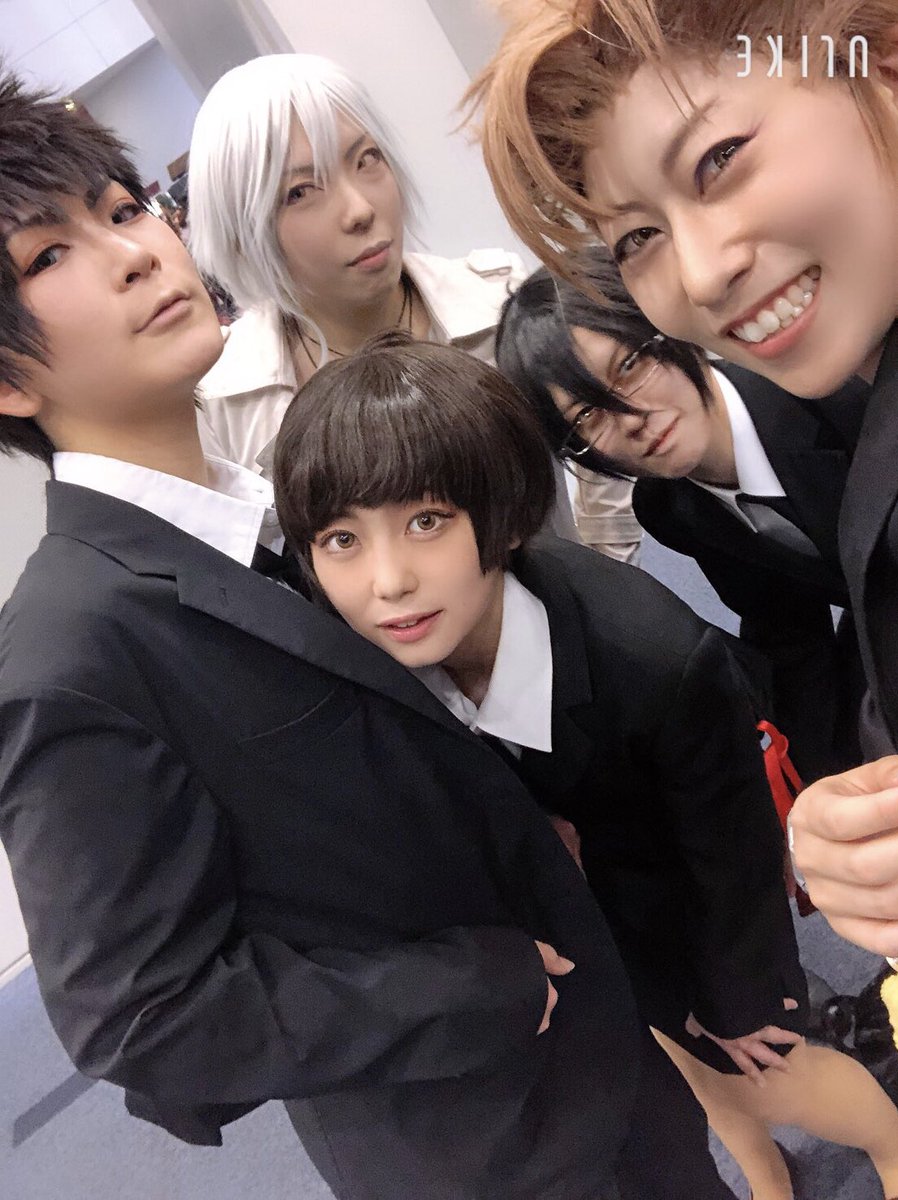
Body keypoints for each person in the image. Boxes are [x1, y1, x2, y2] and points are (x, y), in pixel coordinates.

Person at [0, 72, 716, 1200]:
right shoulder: (69, 653)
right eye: (48, 255)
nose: (134, 253)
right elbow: (142, 1017)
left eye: (124, 209)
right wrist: (474, 990)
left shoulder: (271, 506)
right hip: (484, 1142)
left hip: (606, 1055)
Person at [273, 331, 898, 1200]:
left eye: (426, 522)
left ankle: (891, 1146)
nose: (387, 582)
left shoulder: (655, 662)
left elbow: (732, 854)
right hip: (573, 921)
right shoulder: (364, 656)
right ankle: (765, 1171)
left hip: (678, 905)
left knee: (759, 1064)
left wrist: (746, 995)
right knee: (677, 1060)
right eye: (342, 539)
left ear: (501, 514)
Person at [466, 0, 898, 956]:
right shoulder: (670, 508)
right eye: (638, 236)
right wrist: (836, 786)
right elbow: (792, 627)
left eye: (718, 159)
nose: (704, 273)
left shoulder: (837, 376)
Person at [185, 52, 634, 551]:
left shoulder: (496, 303)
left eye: (366, 160)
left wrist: (601, 572)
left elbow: (601, 438)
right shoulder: (225, 402)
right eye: (301, 192)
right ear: (243, 228)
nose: (359, 209)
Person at [495, 247, 870, 781]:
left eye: (629, 366)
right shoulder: (670, 509)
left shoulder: (832, 390)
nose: (630, 417)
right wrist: (823, 779)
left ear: (669, 326)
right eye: (588, 415)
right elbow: (789, 632)